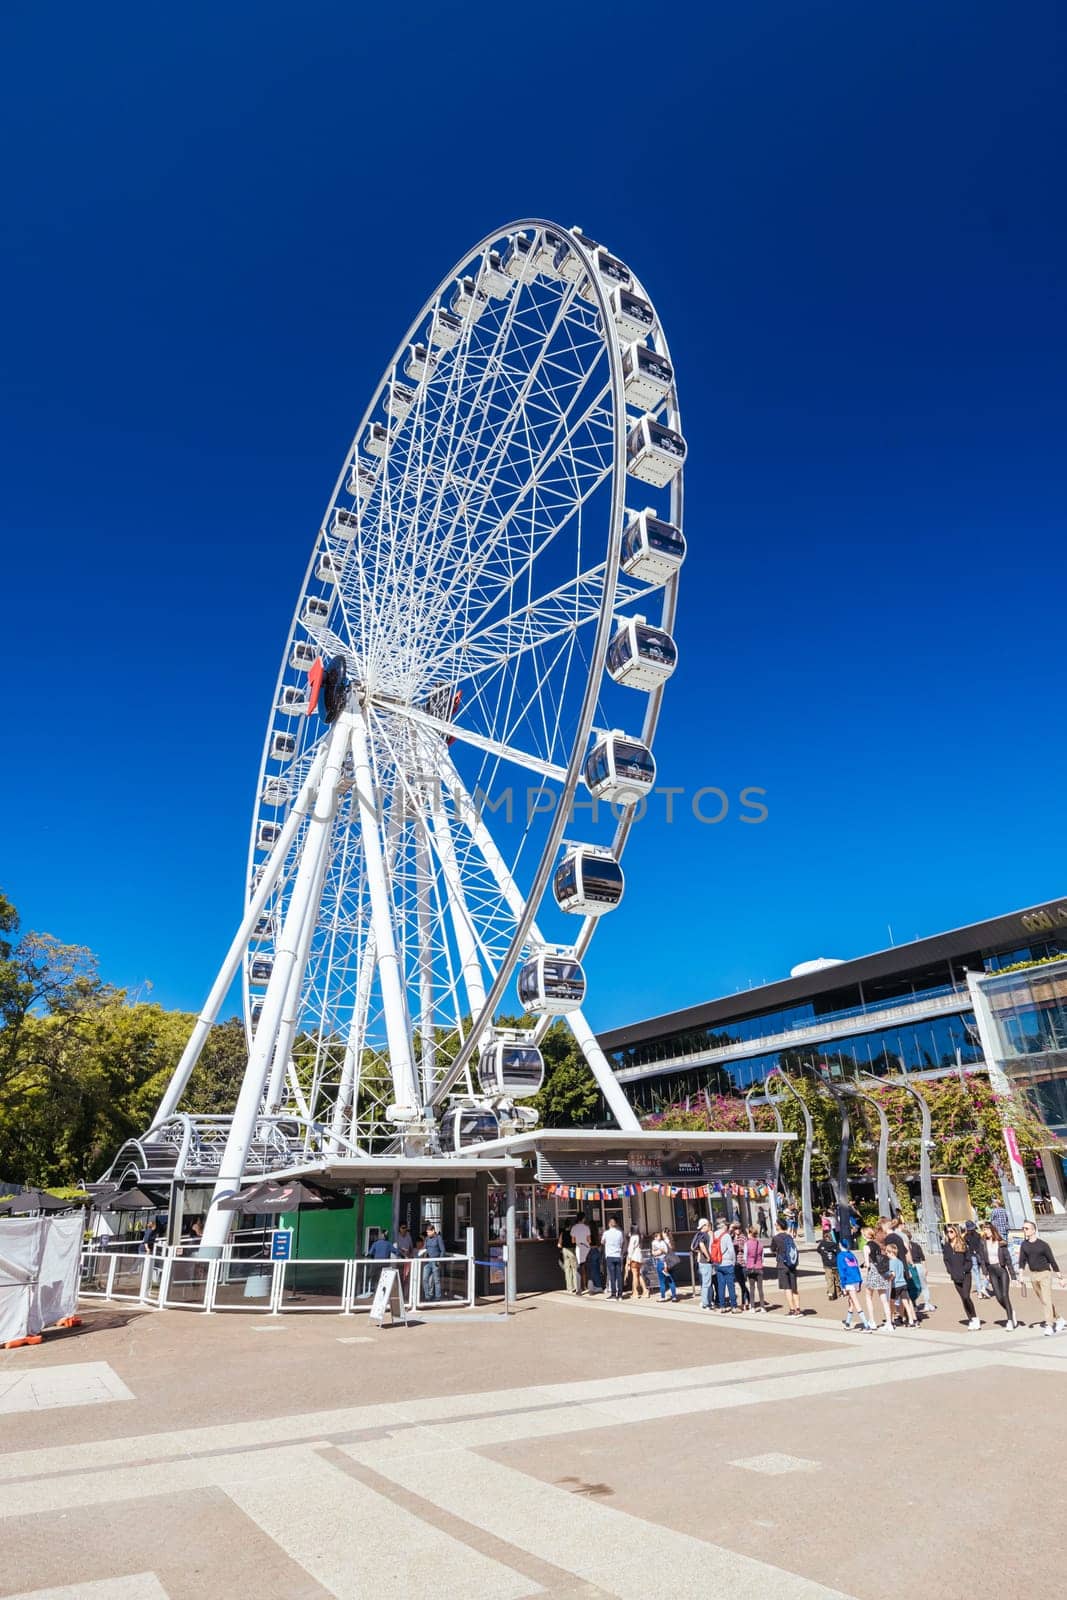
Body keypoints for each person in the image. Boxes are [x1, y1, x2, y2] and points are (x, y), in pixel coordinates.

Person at [1017, 1220, 1065, 1337]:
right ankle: (1059, 1319)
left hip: (1045, 1274)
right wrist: (1021, 1274)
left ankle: (1049, 1325)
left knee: (1047, 1300)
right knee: (1044, 1300)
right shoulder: (1024, 1244)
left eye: (1027, 1228)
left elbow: (1052, 1260)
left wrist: (1060, 1276)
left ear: (1033, 1230)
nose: (1024, 1230)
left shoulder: (1043, 1245)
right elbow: (1022, 1261)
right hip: (1033, 1275)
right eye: (1023, 1228)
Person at [977, 1222, 1017, 1329]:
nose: (986, 1232)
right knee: (998, 1297)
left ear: (993, 1230)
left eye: (988, 1229)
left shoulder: (1000, 1243)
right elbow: (982, 1259)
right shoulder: (983, 1242)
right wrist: (985, 1273)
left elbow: (1008, 1260)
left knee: (1005, 1295)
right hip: (991, 1271)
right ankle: (1011, 1311)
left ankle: (1009, 1321)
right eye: (985, 1230)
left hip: (1001, 1270)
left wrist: (1013, 1276)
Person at [942, 1223, 981, 1329]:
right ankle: (970, 1319)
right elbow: (946, 1260)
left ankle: (975, 1318)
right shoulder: (946, 1246)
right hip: (955, 1276)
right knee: (963, 1298)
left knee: (966, 1296)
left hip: (965, 1275)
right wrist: (950, 1270)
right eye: (947, 1232)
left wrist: (965, 1270)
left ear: (956, 1232)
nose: (949, 1234)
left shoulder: (962, 1244)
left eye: (951, 1231)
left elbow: (968, 1260)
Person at [861, 1225, 894, 1331]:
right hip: (881, 1272)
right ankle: (889, 1323)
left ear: (864, 1235)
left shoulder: (866, 1247)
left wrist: (864, 1266)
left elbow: (867, 1264)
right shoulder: (876, 1245)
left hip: (873, 1272)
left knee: (868, 1296)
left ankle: (872, 1321)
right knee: (884, 1298)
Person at [900, 1223, 935, 1313]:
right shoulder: (916, 1245)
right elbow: (922, 1257)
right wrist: (925, 1268)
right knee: (924, 1286)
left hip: (911, 1266)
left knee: (912, 1286)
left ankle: (914, 1304)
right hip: (919, 1265)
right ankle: (927, 1303)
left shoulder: (903, 1247)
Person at [836, 1237, 869, 1330]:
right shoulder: (851, 1255)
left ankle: (866, 1324)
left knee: (855, 1301)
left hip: (848, 1281)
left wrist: (843, 1285)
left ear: (840, 1245)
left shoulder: (840, 1256)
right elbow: (857, 1268)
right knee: (851, 1301)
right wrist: (860, 1281)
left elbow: (841, 1271)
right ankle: (848, 1322)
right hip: (856, 1279)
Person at [885, 1241, 918, 1327]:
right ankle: (911, 1320)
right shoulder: (900, 1261)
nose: (886, 1254)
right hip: (903, 1284)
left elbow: (893, 1274)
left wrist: (888, 1278)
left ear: (891, 1253)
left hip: (895, 1285)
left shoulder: (891, 1262)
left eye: (887, 1252)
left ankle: (891, 1319)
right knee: (905, 1302)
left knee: (891, 1303)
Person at [772, 1218, 800, 1315]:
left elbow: (772, 1249)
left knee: (787, 1288)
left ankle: (792, 1309)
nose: (775, 1225)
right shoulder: (789, 1237)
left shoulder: (776, 1238)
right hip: (792, 1264)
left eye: (776, 1224)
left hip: (782, 1265)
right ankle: (798, 1308)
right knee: (794, 1288)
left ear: (779, 1226)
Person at [712, 1221, 737, 1312]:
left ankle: (722, 1306)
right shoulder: (726, 1236)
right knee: (731, 1285)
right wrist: (733, 1262)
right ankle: (734, 1306)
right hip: (727, 1263)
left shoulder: (714, 1234)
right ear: (724, 1226)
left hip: (718, 1263)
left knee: (721, 1285)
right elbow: (731, 1250)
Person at [692, 1218, 716, 1310]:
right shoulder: (704, 1235)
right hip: (706, 1262)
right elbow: (702, 1245)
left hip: (701, 1261)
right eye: (708, 1225)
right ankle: (706, 1303)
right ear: (704, 1226)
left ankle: (707, 1301)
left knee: (706, 1283)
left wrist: (700, 1253)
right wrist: (707, 1256)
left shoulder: (698, 1234)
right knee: (707, 1283)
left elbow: (692, 1247)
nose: (709, 1227)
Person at [743, 1226, 767, 1311]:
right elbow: (763, 1257)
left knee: (752, 1288)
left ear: (750, 1233)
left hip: (750, 1267)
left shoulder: (747, 1244)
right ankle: (763, 1307)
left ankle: (752, 1307)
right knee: (760, 1288)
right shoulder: (760, 1244)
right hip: (759, 1267)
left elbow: (745, 1256)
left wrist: (748, 1264)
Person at [651, 1230, 677, 1302]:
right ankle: (674, 1296)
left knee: (662, 1281)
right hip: (670, 1262)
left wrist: (657, 1252)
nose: (661, 1236)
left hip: (662, 1262)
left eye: (661, 1234)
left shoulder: (660, 1242)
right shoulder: (670, 1241)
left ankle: (663, 1296)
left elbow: (656, 1252)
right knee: (671, 1280)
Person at [602, 1216, 625, 1300]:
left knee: (612, 1276)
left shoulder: (606, 1233)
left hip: (610, 1256)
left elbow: (602, 1242)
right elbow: (622, 1243)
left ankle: (613, 1294)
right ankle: (620, 1295)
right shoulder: (619, 1233)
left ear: (609, 1224)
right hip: (618, 1255)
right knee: (619, 1275)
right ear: (615, 1224)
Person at [816, 1226, 839, 1301]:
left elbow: (818, 1250)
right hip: (835, 1264)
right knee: (837, 1278)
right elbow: (839, 1253)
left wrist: (824, 1254)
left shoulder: (822, 1244)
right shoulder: (835, 1244)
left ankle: (831, 1293)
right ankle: (839, 1291)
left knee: (829, 1279)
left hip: (827, 1264)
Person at [423, 1222, 445, 1301]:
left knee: (436, 1280)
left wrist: (439, 1261)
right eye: (427, 1232)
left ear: (433, 1231)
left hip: (435, 1261)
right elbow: (424, 1249)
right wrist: (422, 1255)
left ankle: (438, 1297)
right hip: (428, 1261)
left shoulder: (438, 1238)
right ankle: (427, 1296)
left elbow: (442, 1250)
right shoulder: (427, 1239)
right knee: (425, 1279)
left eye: (428, 1232)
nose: (427, 1233)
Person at [731, 1223, 750, 1310]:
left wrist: (740, 1248)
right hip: (735, 1263)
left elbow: (747, 1248)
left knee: (743, 1283)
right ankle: (748, 1300)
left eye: (739, 1228)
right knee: (741, 1283)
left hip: (742, 1263)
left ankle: (744, 1303)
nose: (737, 1230)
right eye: (736, 1229)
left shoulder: (743, 1237)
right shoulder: (731, 1237)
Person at [570, 1214, 591, 1293]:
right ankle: (586, 1286)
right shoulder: (586, 1227)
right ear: (583, 1219)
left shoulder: (574, 1228)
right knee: (586, 1268)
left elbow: (573, 1241)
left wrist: (578, 1240)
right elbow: (589, 1240)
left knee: (579, 1268)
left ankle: (579, 1288)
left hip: (578, 1248)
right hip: (586, 1248)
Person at [626, 1226, 648, 1299]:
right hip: (640, 1257)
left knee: (635, 1275)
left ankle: (635, 1292)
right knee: (639, 1275)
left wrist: (628, 1259)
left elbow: (630, 1249)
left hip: (634, 1257)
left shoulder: (633, 1237)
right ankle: (645, 1290)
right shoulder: (640, 1236)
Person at [558, 1225, 579, 1293]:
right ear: (570, 1226)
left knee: (567, 1270)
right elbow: (575, 1242)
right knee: (574, 1269)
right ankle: (576, 1287)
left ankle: (569, 1288)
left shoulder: (562, 1233)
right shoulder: (573, 1233)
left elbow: (559, 1244)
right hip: (572, 1250)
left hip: (565, 1251)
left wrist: (563, 1246)